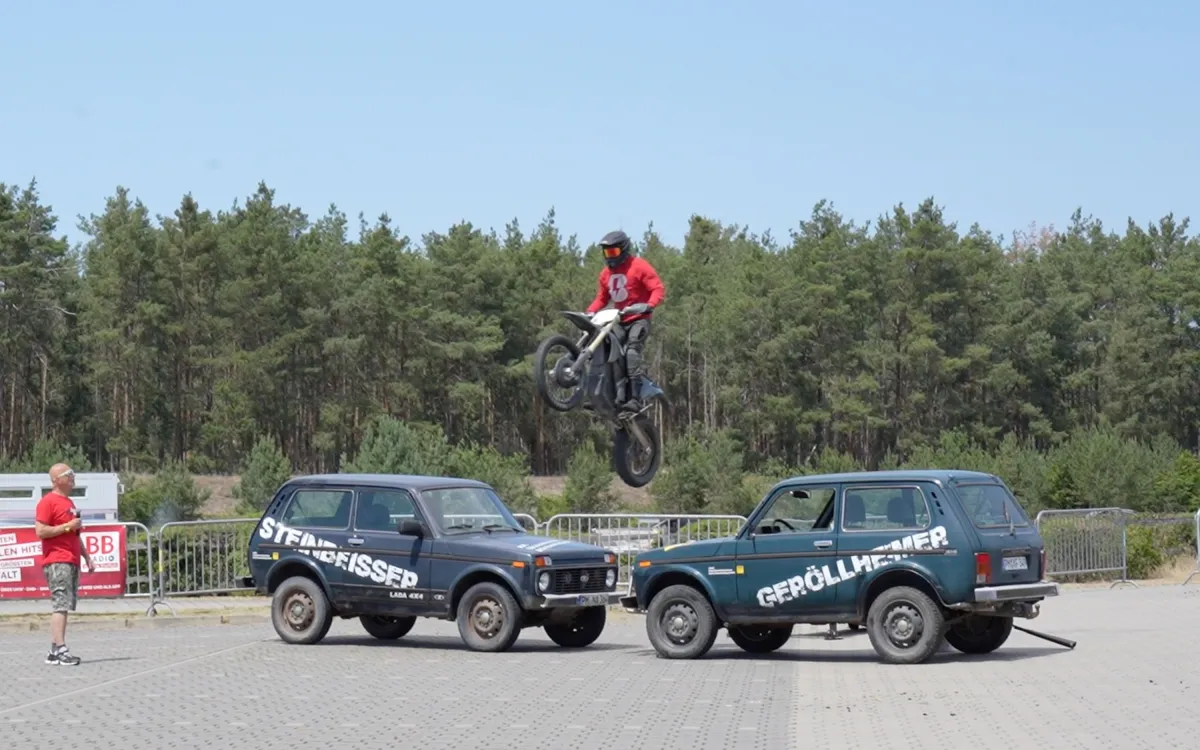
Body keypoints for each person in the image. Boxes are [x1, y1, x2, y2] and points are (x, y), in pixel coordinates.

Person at [585, 229, 665, 413]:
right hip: (618, 319)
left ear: (624, 249)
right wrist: (589, 312)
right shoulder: (605, 274)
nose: (609, 256)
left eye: (613, 252)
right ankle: (608, 395)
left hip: (639, 318)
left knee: (631, 352)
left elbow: (658, 288)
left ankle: (635, 398)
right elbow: (602, 298)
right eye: (606, 252)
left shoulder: (639, 266)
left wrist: (649, 305)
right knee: (608, 352)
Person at [34, 463, 92, 666]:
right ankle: (60, 648)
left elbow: (75, 535)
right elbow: (40, 531)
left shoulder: (68, 502)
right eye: (68, 475)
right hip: (57, 560)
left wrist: (86, 557)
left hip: (71, 559)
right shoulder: (47, 502)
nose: (73, 477)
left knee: (65, 604)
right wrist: (67, 526)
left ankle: (53, 650)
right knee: (60, 604)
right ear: (56, 480)